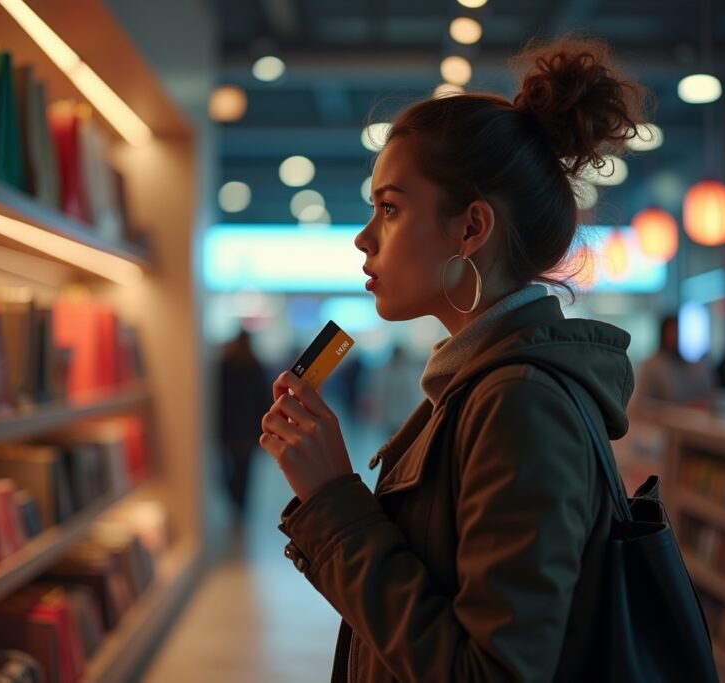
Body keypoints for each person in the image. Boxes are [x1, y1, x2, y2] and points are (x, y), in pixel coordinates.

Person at [259, 37, 645, 681]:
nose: (363, 237)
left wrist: (331, 499)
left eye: (389, 208)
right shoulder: (483, 388)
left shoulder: (519, 402)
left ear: (470, 229)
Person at [215, 328, 270, 522]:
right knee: (244, 474)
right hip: (248, 431)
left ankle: (237, 506)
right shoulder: (255, 366)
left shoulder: (225, 366)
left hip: (228, 430)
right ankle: (241, 508)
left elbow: (218, 400)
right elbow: (263, 402)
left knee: (226, 473)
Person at [633, 314, 714, 407]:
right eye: (671, 331)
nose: (674, 336)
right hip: (661, 420)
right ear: (663, 334)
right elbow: (642, 403)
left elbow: (707, 395)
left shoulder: (690, 365)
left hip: (690, 418)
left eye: (677, 331)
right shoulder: (651, 366)